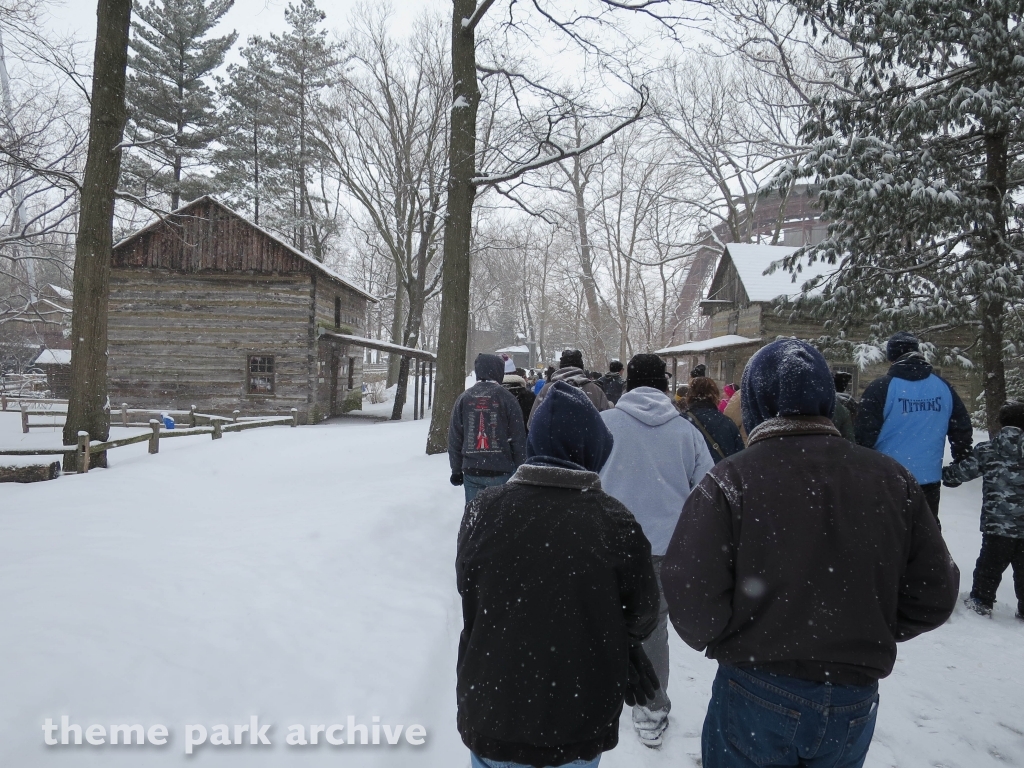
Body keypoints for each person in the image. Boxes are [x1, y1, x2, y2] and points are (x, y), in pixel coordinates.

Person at [662, 339, 959, 768]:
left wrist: (734, 636)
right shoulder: (892, 479)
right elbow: (933, 593)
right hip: (853, 697)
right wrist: (861, 633)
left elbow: (692, 595)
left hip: (755, 685)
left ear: (758, 404)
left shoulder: (731, 480)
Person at [456, 381, 662, 768]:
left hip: (493, 708)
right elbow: (644, 612)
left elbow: (470, 590)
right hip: (577, 715)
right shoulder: (614, 520)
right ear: (595, 450)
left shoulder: (485, 508)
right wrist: (620, 640)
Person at [598, 354, 714, 748]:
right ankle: (650, 708)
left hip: (609, 544)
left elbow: (585, 477)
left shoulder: (604, 424)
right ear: (665, 386)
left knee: (600, 620)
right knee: (651, 629)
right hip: (665, 548)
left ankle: (597, 695)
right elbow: (707, 492)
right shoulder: (687, 433)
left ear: (628, 384)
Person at [856, 331, 973, 522]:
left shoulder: (880, 388)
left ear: (891, 357)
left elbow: (863, 436)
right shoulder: (943, 387)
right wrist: (961, 461)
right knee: (926, 538)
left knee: (887, 537)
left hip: (888, 477)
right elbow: (961, 428)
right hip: (928, 479)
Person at [943, 401, 1024, 620]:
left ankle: (981, 601)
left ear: (1001, 421)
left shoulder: (988, 449)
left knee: (990, 565)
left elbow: (959, 474)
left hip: (997, 524)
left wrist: (945, 475)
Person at [448, 353, 528, 504]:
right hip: (501, 469)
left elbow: (455, 438)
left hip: (472, 471)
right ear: (499, 371)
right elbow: (518, 438)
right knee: (499, 519)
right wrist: (520, 469)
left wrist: (456, 469)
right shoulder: (508, 398)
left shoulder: (464, 398)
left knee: (475, 517)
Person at [529, 349, 611, 427]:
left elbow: (533, 422)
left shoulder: (547, 389)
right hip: (590, 441)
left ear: (561, 367)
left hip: (552, 440)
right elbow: (607, 423)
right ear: (581, 367)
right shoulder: (595, 391)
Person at [684, 377, 745, 463]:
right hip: (721, 474)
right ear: (715, 395)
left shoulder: (681, 422)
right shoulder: (728, 424)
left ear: (689, 395)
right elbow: (740, 461)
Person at [502, 365, 536, 435]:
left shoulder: (496, 394)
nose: (527, 379)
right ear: (520, 378)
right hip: (523, 437)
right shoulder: (529, 396)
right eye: (525, 376)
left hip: (499, 439)